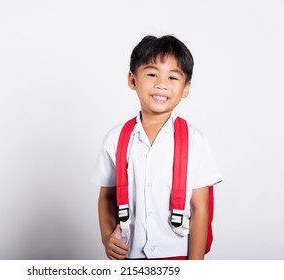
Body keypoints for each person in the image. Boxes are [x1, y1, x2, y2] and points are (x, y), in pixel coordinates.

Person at [91, 35, 222, 260]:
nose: (161, 83)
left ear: (185, 88)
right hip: (129, 256)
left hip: (178, 256)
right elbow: (106, 196)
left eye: (173, 77)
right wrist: (106, 237)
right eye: (152, 74)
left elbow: (201, 208)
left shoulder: (195, 140)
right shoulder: (115, 138)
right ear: (133, 80)